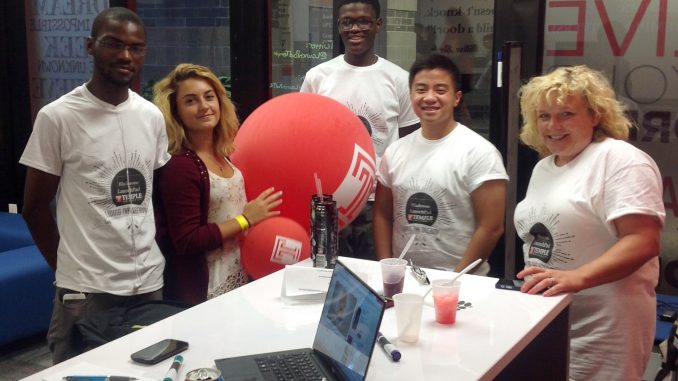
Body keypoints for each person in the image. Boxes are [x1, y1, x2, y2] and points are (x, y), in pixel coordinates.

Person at [20, 7, 170, 364]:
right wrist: (68, 270)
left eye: (136, 47)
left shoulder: (150, 116)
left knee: (148, 370)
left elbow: (155, 196)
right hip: (86, 291)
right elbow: (34, 208)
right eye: (113, 44)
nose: (125, 56)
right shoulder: (58, 117)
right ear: (90, 46)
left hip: (148, 284)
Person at [514, 65, 664, 380]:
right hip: (550, 319)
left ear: (595, 115)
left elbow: (643, 240)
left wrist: (577, 278)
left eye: (566, 114)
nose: (553, 125)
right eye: (544, 116)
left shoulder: (620, 160)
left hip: (605, 329)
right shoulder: (544, 167)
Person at [300, 0, 419, 261]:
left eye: (363, 21)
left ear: (378, 25)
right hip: (329, 199)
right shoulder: (318, 76)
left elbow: (411, 144)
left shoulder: (398, 78)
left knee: (376, 275)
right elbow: (303, 135)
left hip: (379, 201)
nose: (355, 28)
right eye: (347, 22)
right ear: (339, 26)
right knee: (326, 274)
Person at [153, 63, 282, 305]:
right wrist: (245, 219)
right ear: (176, 111)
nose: (204, 107)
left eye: (209, 97)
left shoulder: (224, 154)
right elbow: (187, 240)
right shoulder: (180, 166)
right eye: (190, 101)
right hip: (203, 291)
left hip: (238, 278)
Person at [374, 54, 508, 274]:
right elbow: (382, 214)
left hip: (462, 283)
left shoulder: (480, 152)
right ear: (410, 95)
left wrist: (455, 280)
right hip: (406, 280)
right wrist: (387, 268)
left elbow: (491, 227)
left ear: (456, 98)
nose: (429, 97)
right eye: (421, 89)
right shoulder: (395, 151)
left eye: (440, 90)